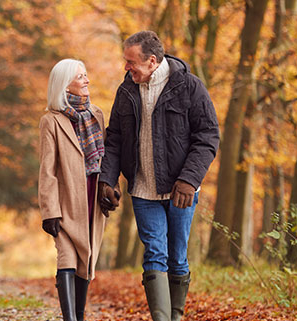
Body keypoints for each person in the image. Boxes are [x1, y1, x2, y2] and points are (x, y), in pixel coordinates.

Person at [97, 31, 220, 321]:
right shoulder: (126, 91)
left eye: (131, 62)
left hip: (181, 190)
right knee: (154, 253)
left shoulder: (190, 87)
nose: (126, 68)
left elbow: (208, 136)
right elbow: (114, 139)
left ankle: (175, 315)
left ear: (152, 61)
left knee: (177, 256)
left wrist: (190, 178)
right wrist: (108, 179)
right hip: (143, 190)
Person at [38, 58, 115, 321]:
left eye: (86, 75)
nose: (87, 80)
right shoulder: (51, 121)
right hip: (66, 201)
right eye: (80, 76)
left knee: (87, 260)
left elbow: (106, 159)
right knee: (67, 258)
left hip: (93, 197)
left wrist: (109, 188)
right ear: (65, 84)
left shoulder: (97, 114)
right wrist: (49, 211)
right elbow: (47, 170)